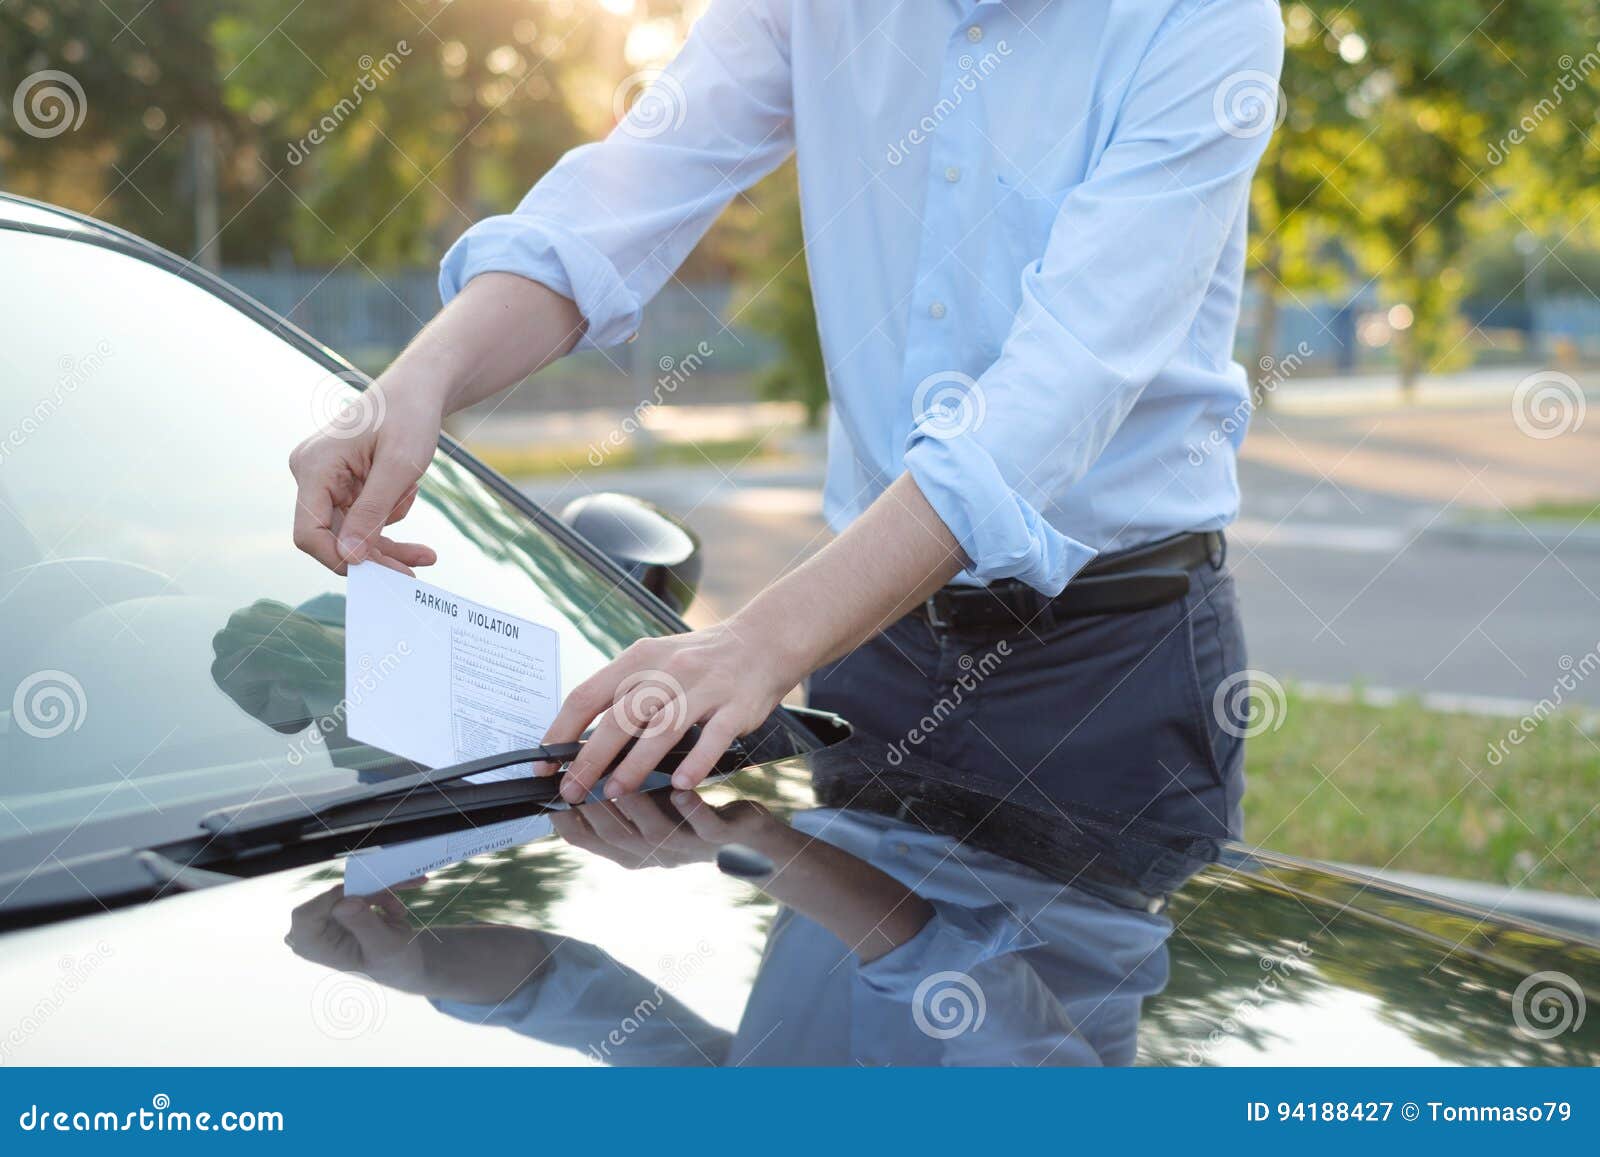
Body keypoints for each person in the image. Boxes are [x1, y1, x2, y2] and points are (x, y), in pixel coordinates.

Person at [289, 1, 1284, 835]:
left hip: (1110, 671)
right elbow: (623, 198)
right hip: (872, 656)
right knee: (829, 1053)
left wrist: (761, 642)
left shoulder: (1201, 19)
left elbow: (1056, 388)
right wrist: (415, 380)